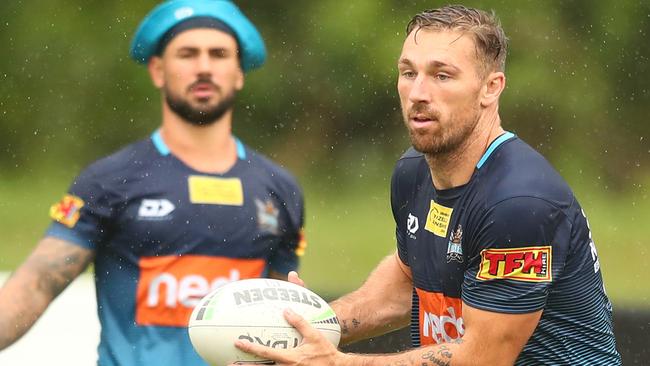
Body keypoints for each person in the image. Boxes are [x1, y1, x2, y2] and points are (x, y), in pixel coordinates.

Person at [233, 5, 621, 366]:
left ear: (491, 87)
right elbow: (407, 280)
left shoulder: (519, 202)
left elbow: (483, 358)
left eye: (441, 75)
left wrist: (338, 362)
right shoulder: (413, 172)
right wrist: (309, 323)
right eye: (408, 73)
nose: (418, 93)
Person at [0, 1, 306, 365]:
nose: (204, 67)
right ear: (158, 70)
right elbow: (37, 284)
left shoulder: (279, 189)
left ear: (239, 72)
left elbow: (284, 314)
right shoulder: (108, 181)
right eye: (188, 54)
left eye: (219, 54)